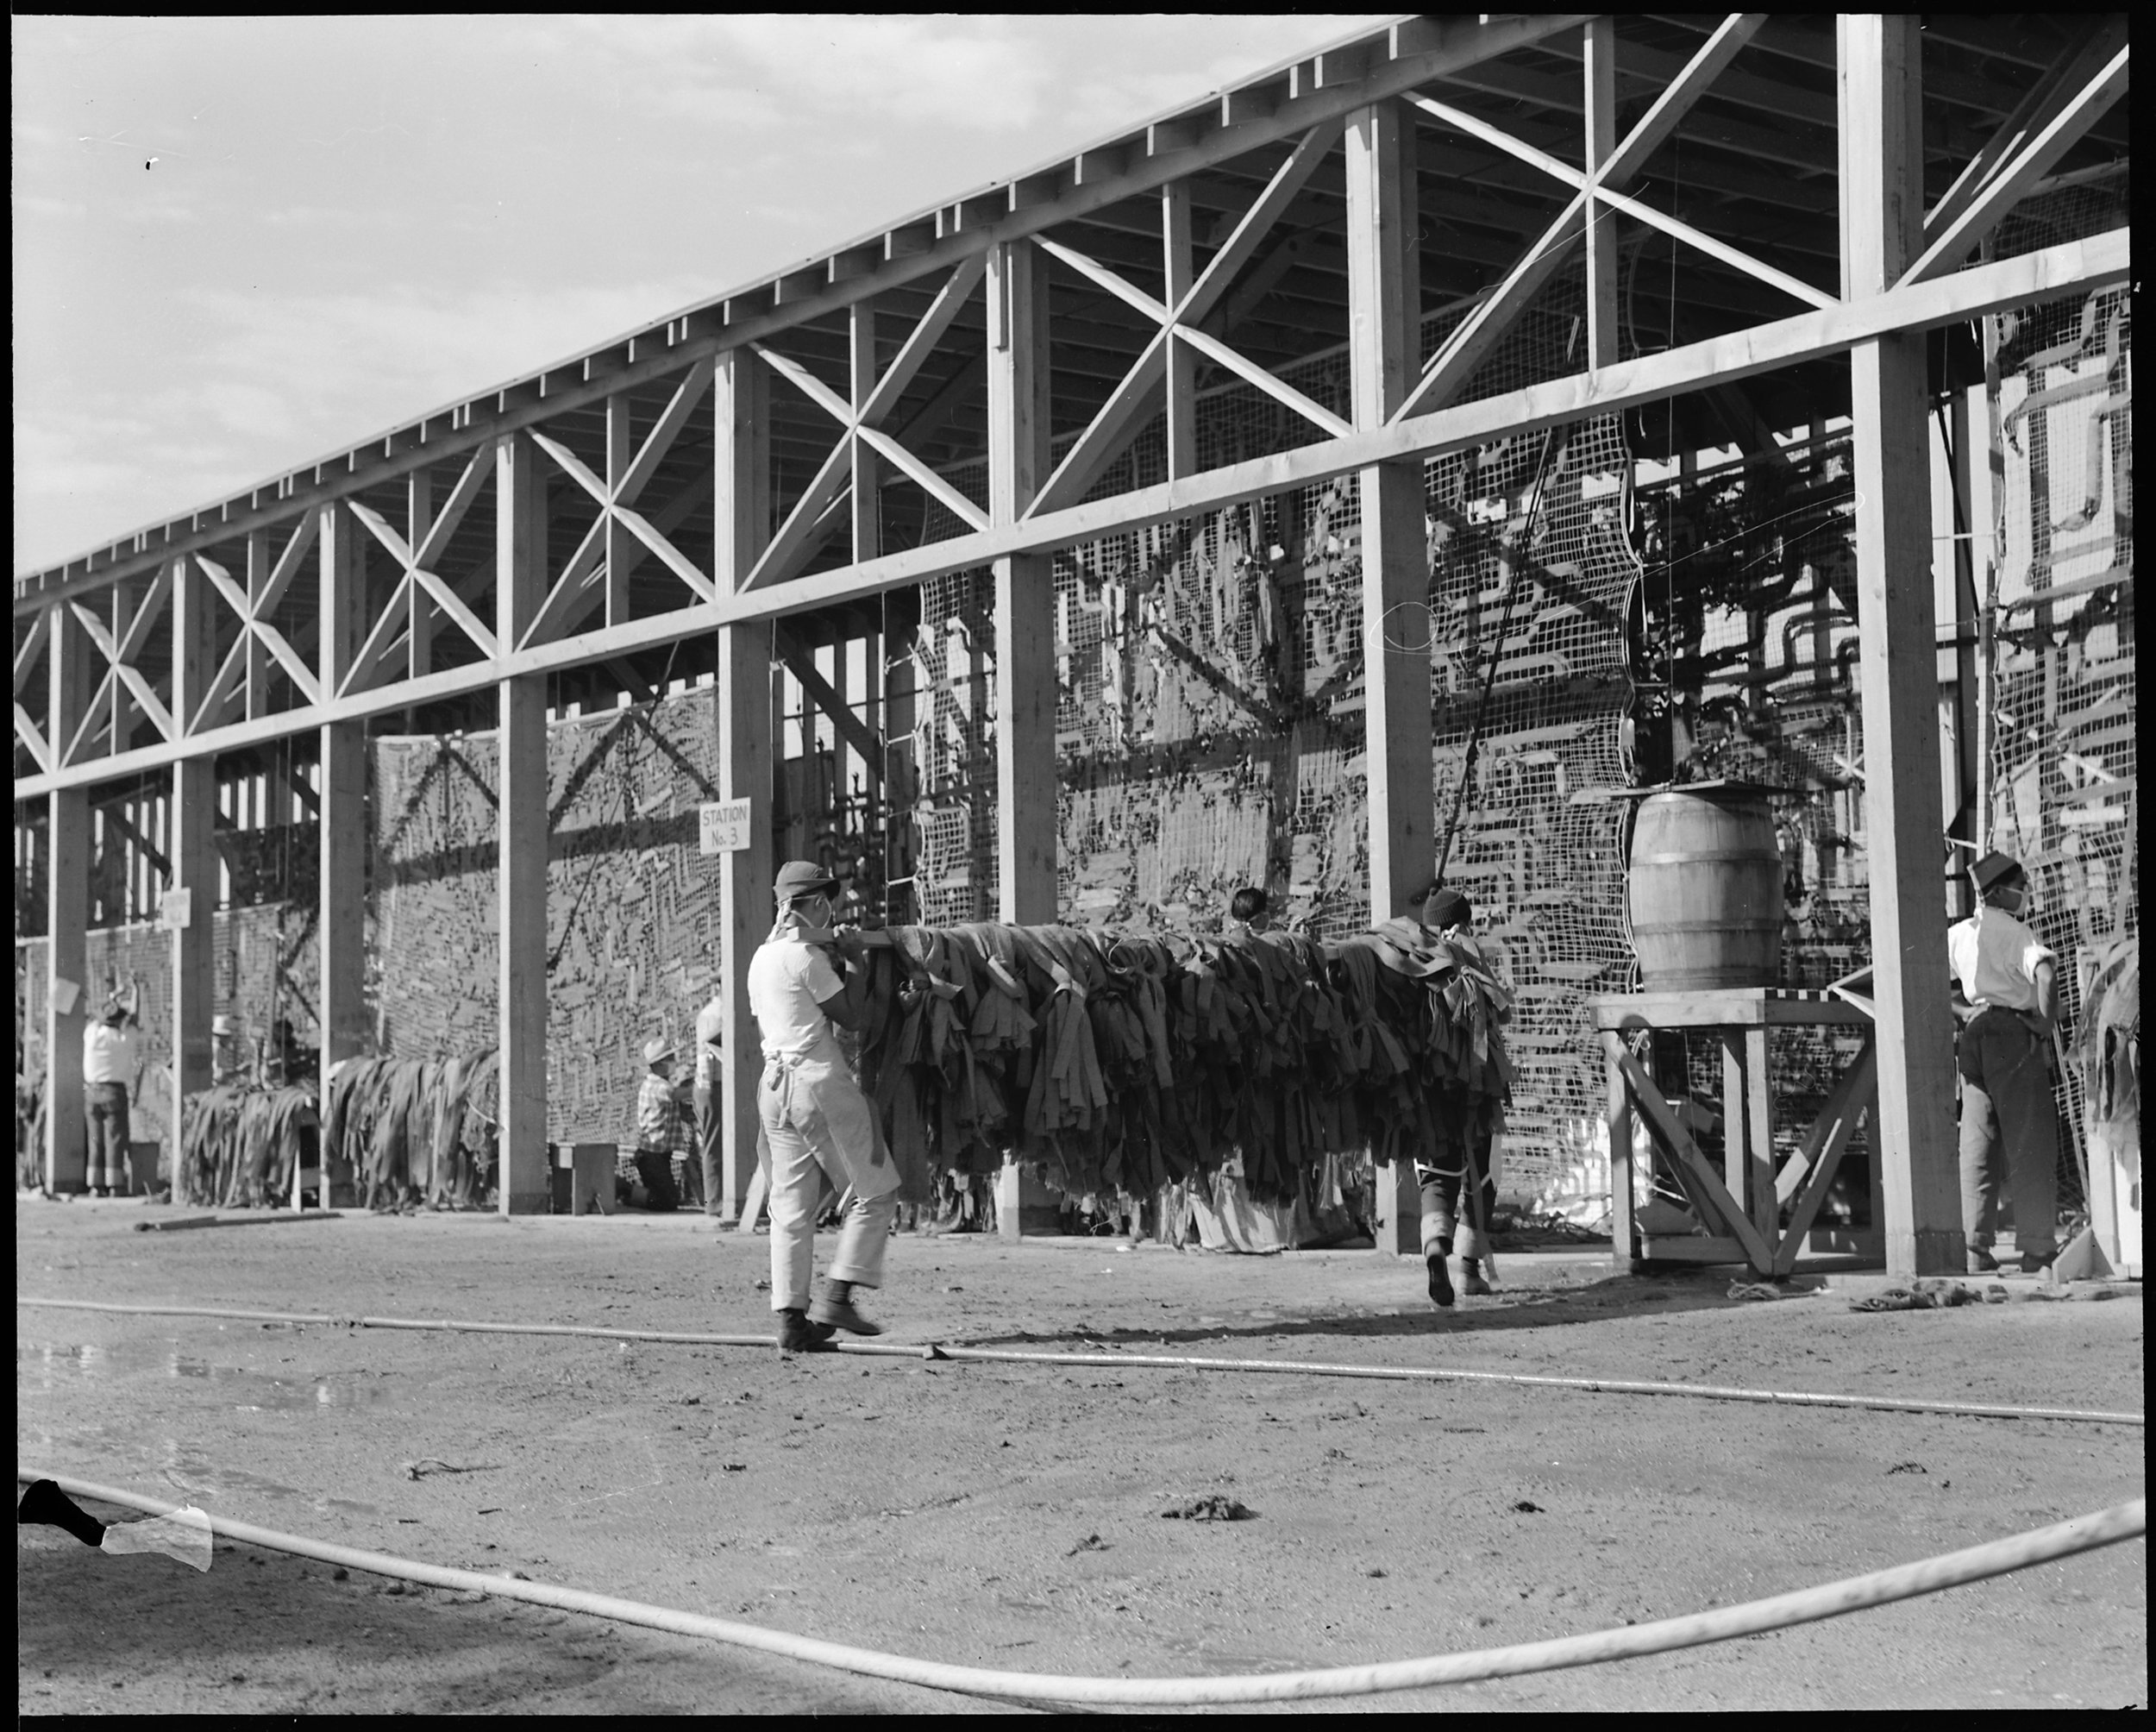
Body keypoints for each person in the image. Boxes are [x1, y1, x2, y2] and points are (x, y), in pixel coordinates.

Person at [748, 859, 900, 1352]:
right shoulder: (804, 958)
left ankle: (792, 1322)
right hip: (817, 1085)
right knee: (874, 1191)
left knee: (791, 1207)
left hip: (774, 1087)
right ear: (811, 905)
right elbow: (851, 1018)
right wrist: (854, 959)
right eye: (825, 902)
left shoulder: (761, 958)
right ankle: (837, 1295)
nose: (830, 910)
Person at [1949, 850, 2061, 1274]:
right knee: (2030, 1140)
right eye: (2022, 887)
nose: (2027, 894)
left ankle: (1973, 1250)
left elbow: (1927, 975)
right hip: (2013, 1034)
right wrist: (2045, 1023)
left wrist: (1962, 1013)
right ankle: (2037, 1249)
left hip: (1973, 1036)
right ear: (1998, 893)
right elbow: (2046, 975)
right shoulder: (2017, 933)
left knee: (1977, 1143)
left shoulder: (1960, 934)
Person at [1412, 883, 1501, 1307]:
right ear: (1462, 923)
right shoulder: (1469, 958)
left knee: (1435, 1178)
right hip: (1471, 1095)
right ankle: (1468, 1270)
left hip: (1423, 1096)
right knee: (1481, 1178)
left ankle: (1434, 1252)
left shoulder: (1408, 964)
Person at [81, 984, 141, 1197]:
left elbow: (99, 1015)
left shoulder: (92, 1034)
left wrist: (113, 996)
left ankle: (95, 1185)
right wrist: (135, 992)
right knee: (114, 1138)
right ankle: (115, 1185)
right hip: (114, 1091)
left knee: (95, 1140)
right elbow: (135, 1019)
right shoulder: (124, 1038)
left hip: (91, 1091)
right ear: (119, 1021)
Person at [629, 1037, 686, 1210]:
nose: (673, 1063)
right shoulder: (658, 1085)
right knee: (667, 1201)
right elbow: (674, 1094)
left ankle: (634, 1192)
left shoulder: (658, 1083)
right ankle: (626, 1191)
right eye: (670, 1060)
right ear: (659, 1065)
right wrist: (695, 1087)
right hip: (652, 1155)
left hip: (658, 1153)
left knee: (667, 1196)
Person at [693, 991, 726, 1220]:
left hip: (707, 1084)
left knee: (711, 1142)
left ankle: (715, 1200)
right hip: (714, 1084)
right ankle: (714, 1202)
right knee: (714, 1144)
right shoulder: (721, 1013)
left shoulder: (708, 1012)